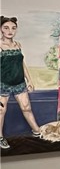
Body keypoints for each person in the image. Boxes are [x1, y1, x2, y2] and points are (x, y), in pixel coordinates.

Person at [0, 16, 43, 149]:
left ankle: (37, 131)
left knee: (26, 108)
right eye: (6, 28)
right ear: (1, 29)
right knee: (1, 111)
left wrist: (29, 80)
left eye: (13, 28)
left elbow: (22, 64)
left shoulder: (18, 45)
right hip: (3, 84)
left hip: (19, 83)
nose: (10, 31)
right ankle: (0, 137)